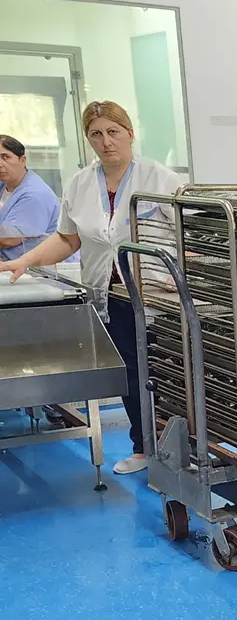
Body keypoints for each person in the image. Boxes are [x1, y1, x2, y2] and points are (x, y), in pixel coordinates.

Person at [0, 101, 184, 475]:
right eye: (96, 134)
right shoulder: (81, 183)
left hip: (159, 296)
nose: (106, 141)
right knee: (131, 374)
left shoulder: (160, 179)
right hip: (112, 296)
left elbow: (190, 235)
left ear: (130, 133)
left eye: (113, 132)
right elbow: (68, 239)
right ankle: (144, 448)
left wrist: (181, 271)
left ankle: (182, 450)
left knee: (170, 374)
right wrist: (26, 261)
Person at [0, 135, 65, 261]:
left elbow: (8, 239)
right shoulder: (4, 185)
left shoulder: (35, 193)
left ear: (22, 160)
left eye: (5, 157)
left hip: (40, 266)